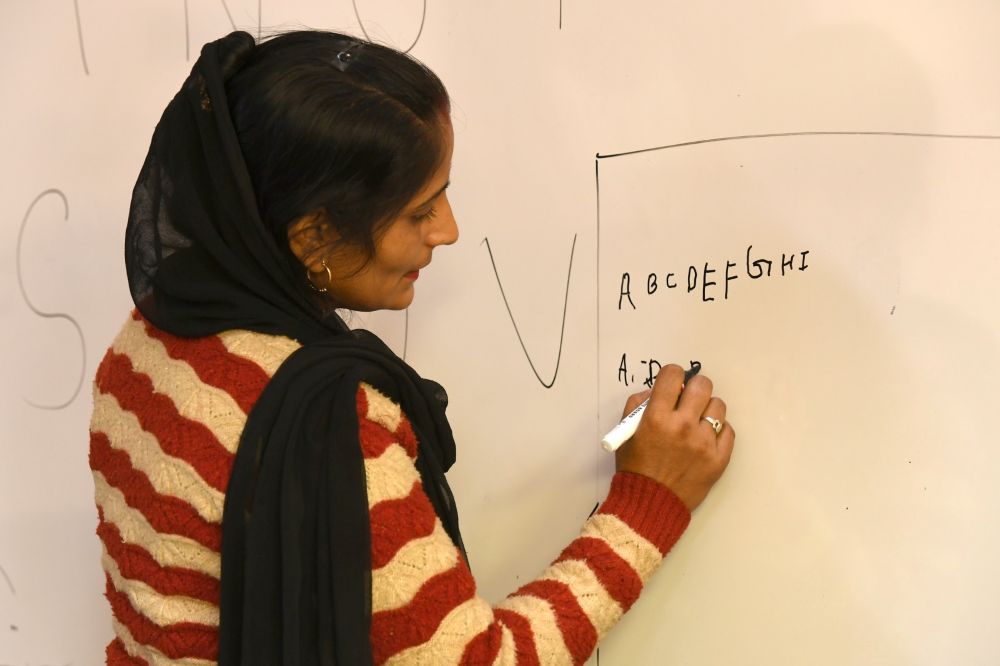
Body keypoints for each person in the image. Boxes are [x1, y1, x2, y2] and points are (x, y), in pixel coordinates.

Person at [88, 30, 735, 665]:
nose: (447, 231)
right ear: (313, 236)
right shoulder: (326, 427)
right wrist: (649, 500)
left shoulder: (148, 343)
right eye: (418, 212)